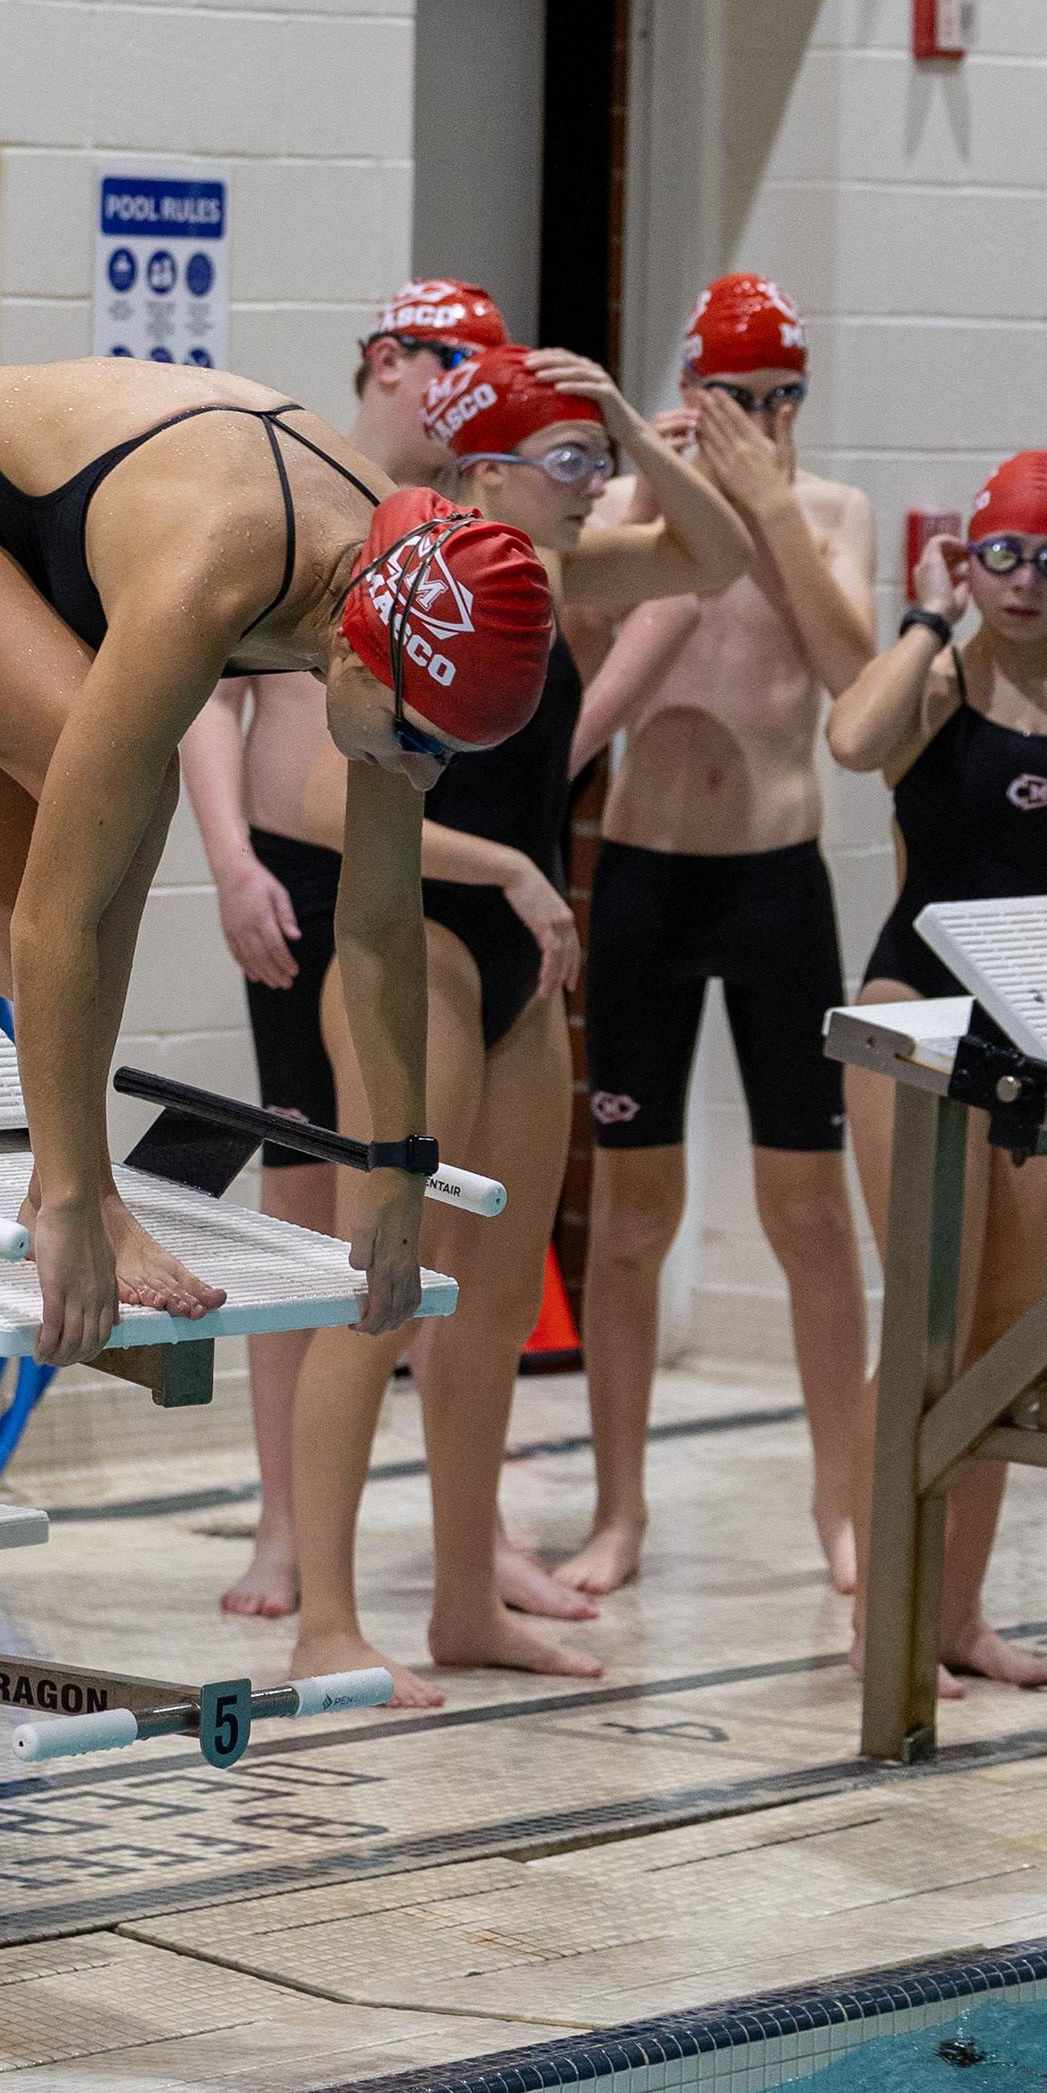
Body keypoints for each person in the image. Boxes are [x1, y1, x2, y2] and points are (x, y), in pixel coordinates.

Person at [0, 354, 558, 1374]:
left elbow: (378, 919)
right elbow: (64, 915)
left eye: (447, 753)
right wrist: (70, 1197)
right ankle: (78, 1187)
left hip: (8, 539)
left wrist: (400, 1167)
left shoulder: (407, 588)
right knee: (122, 804)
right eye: (416, 739)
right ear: (355, 649)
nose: (420, 772)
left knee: (6, 938)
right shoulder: (223, 569)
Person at [288, 342, 753, 1705]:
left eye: (598, 461)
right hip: (412, 944)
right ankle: (326, 1623)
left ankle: (462, 1604)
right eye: (569, 461)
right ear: (483, 471)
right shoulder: (403, 576)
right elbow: (317, 805)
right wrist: (508, 868)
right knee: (378, 1289)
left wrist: (629, 425)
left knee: (492, 1305)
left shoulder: (550, 576)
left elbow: (718, 556)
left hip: (520, 971)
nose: (594, 484)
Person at [177, 280, 584, 1625]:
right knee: (332, 1229)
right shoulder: (320, 501)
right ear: (393, 361)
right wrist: (230, 860)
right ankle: (294, 1547)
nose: (469, 382)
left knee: (468, 1259)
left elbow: (684, 584)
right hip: (328, 886)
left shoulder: (508, 539)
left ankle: (469, 1560)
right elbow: (222, 709)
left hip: (447, 886)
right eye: (456, 359)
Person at [552, 275, 877, 1601]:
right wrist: (664, 498)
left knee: (810, 1218)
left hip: (777, 889)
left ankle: (840, 1504)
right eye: (742, 398)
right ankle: (617, 1508)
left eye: (787, 397)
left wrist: (773, 513)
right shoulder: (635, 511)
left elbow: (854, 673)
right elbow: (574, 661)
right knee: (632, 1217)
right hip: (646, 883)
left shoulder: (834, 514)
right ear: (693, 393)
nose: (767, 421)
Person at [827, 449, 1047, 1693]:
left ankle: (959, 1614)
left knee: (1005, 1345)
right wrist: (927, 615)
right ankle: (888, 1618)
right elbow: (848, 738)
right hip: (921, 1025)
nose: (1025, 582)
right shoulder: (932, 685)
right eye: (1003, 555)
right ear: (967, 560)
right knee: (928, 1327)